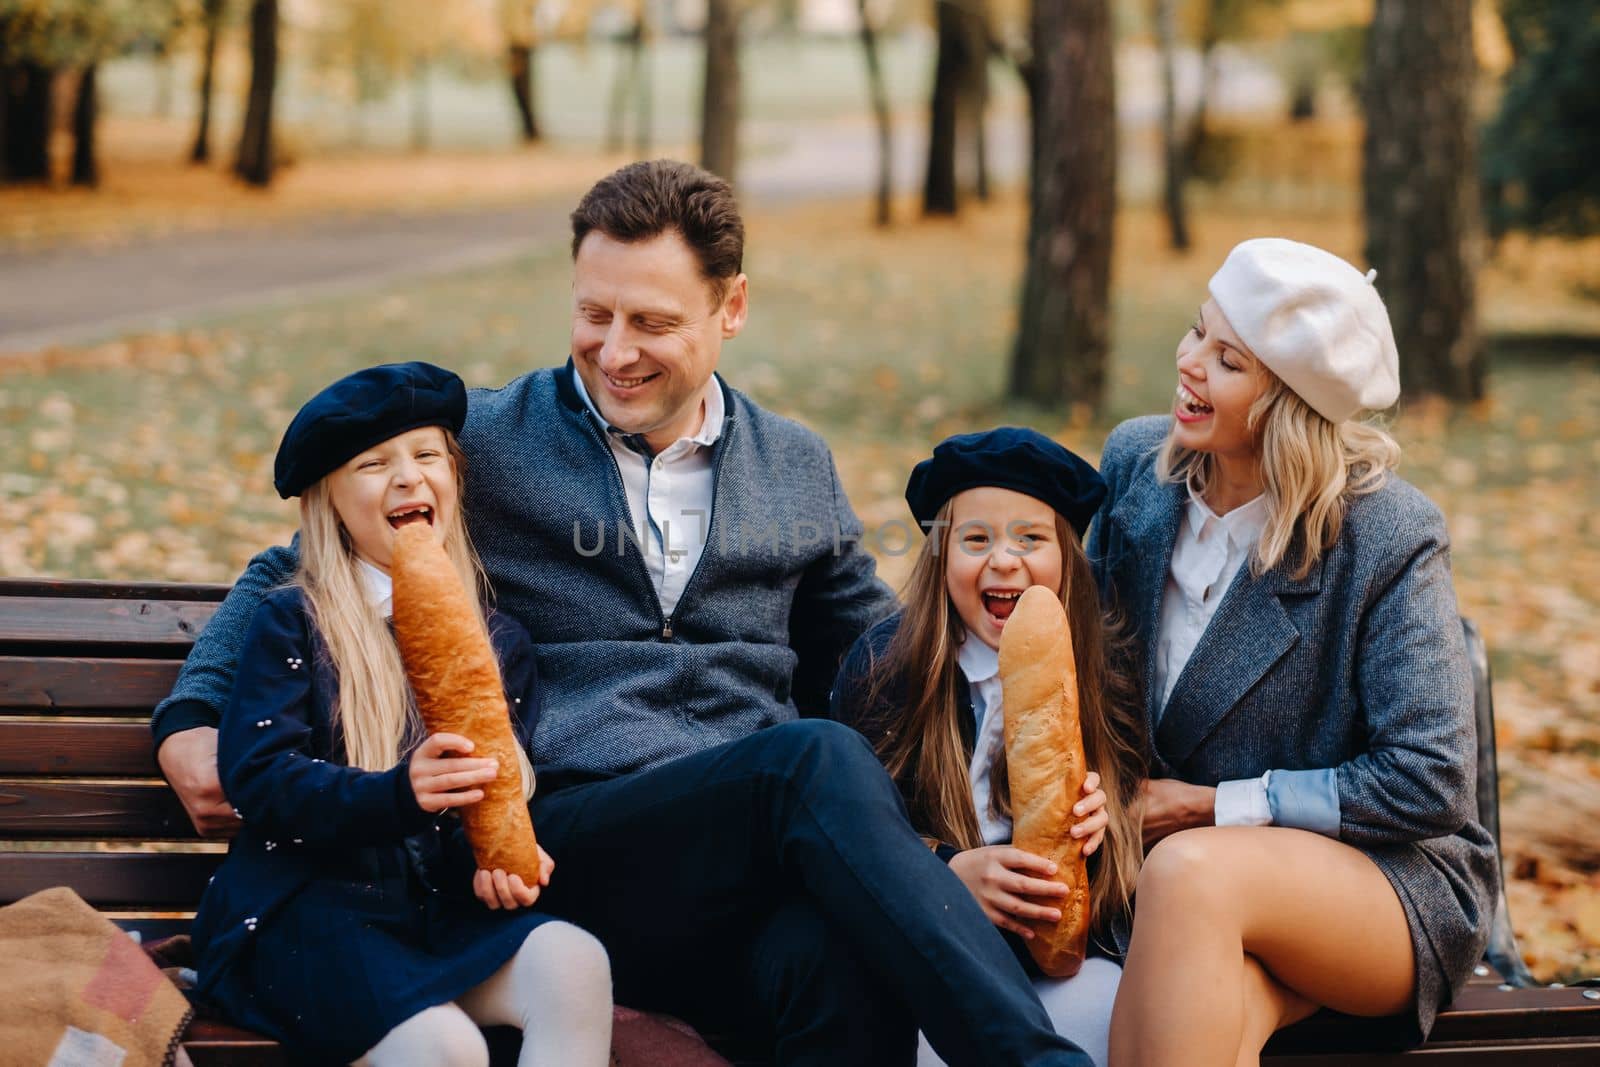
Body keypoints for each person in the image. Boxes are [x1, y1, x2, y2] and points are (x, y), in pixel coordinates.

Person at [153, 161, 1092, 1066]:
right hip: (569, 843)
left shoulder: (794, 465)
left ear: (732, 308)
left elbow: (886, 655)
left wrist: (936, 855)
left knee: (837, 960)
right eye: (593, 314)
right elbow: (298, 561)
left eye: (651, 322)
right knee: (810, 759)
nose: (614, 349)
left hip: (743, 869)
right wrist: (193, 715)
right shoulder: (491, 439)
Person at [1091, 238, 1498, 1065]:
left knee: (1192, 872)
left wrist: (1211, 806)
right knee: (1218, 1015)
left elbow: (1430, 780)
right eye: (1196, 332)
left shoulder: (1383, 532)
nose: (1189, 364)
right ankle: (1281, 983)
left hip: (1385, 876)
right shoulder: (1138, 465)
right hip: (1171, 892)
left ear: (1288, 404)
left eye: (1227, 359)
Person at [189, 362, 612, 1066]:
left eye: (426, 455)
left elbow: (481, 795)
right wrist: (396, 793)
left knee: (573, 962)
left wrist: (493, 857)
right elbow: (259, 778)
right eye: (373, 464)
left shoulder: (497, 642)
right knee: (445, 1046)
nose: (408, 477)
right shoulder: (295, 620)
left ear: (455, 478)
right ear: (329, 501)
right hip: (303, 916)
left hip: (428, 916)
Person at [831, 428, 1148, 1067]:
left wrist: (1107, 822)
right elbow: (851, 829)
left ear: (1069, 559)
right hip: (921, 961)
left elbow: (1124, 883)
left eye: (1030, 539)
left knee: (1110, 1007)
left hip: (1060, 966)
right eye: (976, 539)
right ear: (941, 558)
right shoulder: (885, 670)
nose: (1003, 560)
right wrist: (945, 870)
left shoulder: (1106, 675)